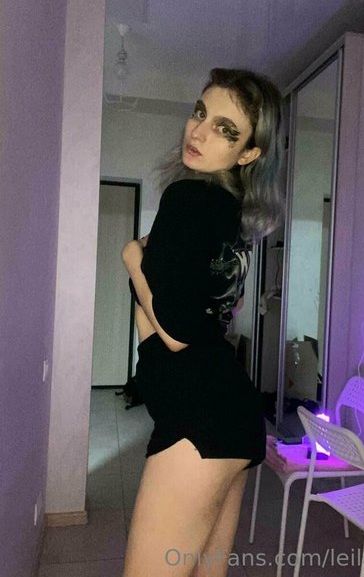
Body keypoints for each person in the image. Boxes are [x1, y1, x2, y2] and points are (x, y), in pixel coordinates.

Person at [121, 67, 284, 577]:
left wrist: (132, 258)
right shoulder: (229, 215)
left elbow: (176, 332)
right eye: (200, 113)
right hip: (233, 416)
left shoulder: (187, 199)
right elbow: (215, 311)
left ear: (249, 153)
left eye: (225, 129)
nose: (198, 131)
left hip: (198, 420)